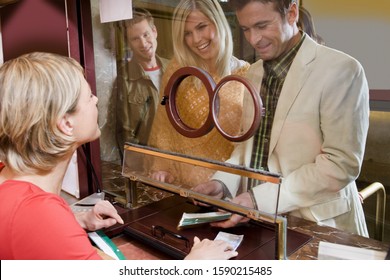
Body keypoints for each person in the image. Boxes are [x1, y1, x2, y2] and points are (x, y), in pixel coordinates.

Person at [0, 52, 238, 260]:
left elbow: (25, 230)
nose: (95, 100)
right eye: (88, 96)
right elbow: (35, 223)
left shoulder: (11, 181)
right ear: (65, 123)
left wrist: (75, 220)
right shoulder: (39, 215)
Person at [193, 0, 370, 237]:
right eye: (246, 29)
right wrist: (222, 183)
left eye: (262, 25)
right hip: (257, 223)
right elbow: (247, 150)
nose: (254, 39)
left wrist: (259, 199)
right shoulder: (253, 72)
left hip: (316, 226)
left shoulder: (342, 70)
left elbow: (340, 165)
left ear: (292, 13)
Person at [147, 0, 250, 187]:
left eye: (202, 27)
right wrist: (162, 166)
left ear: (218, 22)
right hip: (183, 186)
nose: (196, 39)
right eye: (187, 33)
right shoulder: (178, 72)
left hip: (228, 188)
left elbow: (248, 143)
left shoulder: (246, 75)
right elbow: (164, 122)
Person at [116, 8, 169, 159]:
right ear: (129, 42)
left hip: (178, 159)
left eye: (146, 34)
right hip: (148, 164)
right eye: (135, 38)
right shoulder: (124, 78)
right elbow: (125, 133)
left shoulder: (174, 69)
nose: (143, 43)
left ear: (154, 31)